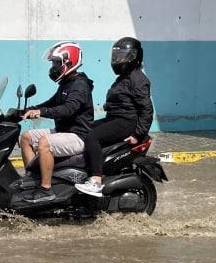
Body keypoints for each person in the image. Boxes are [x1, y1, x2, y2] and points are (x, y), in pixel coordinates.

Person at [75, 37, 153, 197]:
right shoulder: (125, 77)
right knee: (82, 130)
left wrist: (138, 134)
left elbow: (146, 109)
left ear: (134, 57)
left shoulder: (137, 78)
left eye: (123, 56)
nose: (118, 60)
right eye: (116, 56)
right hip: (116, 118)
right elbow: (124, 100)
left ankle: (96, 181)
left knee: (92, 137)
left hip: (126, 122)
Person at [19, 41, 94, 203]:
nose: (53, 66)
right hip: (64, 132)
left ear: (69, 62)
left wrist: (41, 112)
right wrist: (27, 110)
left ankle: (46, 189)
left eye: (56, 62)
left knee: (44, 143)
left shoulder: (80, 85)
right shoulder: (67, 83)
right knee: (26, 137)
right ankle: (33, 177)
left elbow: (68, 109)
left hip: (78, 135)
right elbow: (52, 103)